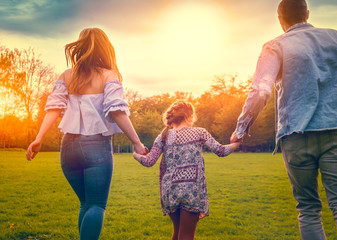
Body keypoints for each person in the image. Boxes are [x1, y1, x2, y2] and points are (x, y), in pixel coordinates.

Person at [26, 28, 147, 240]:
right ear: (105, 48)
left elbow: (54, 108)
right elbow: (117, 111)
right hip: (96, 146)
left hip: (68, 147)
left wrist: (39, 138)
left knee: (86, 203)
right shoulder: (109, 75)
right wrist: (136, 142)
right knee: (96, 205)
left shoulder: (66, 75)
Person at [230, 0, 337, 239]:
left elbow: (261, 91)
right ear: (307, 14)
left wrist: (241, 127)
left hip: (296, 136)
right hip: (335, 131)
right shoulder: (334, 37)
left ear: (280, 19)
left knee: (308, 209)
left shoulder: (276, 45)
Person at [133, 100, 241, 240]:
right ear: (190, 116)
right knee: (186, 236)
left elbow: (149, 161)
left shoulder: (163, 136)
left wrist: (135, 155)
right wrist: (236, 144)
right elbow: (221, 150)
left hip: (169, 191)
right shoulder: (199, 132)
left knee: (177, 233)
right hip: (191, 190)